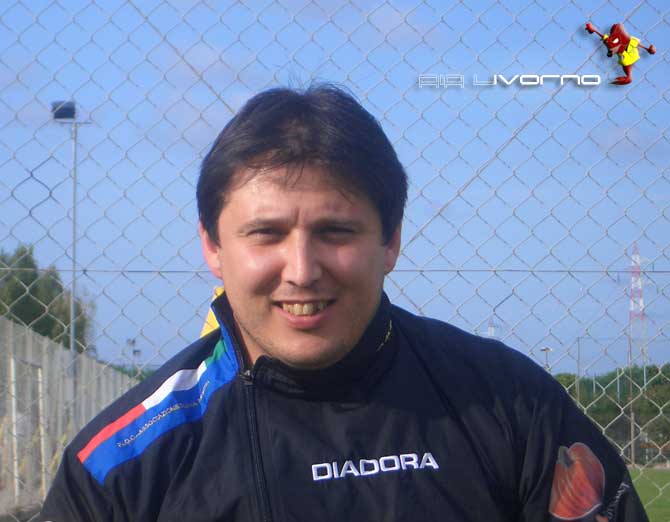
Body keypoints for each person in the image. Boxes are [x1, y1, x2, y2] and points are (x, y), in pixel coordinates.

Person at [39, 84, 648, 522]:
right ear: (213, 246)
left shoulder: (511, 403)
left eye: (335, 232)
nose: (302, 271)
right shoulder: (120, 464)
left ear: (390, 240)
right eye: (266, 234)